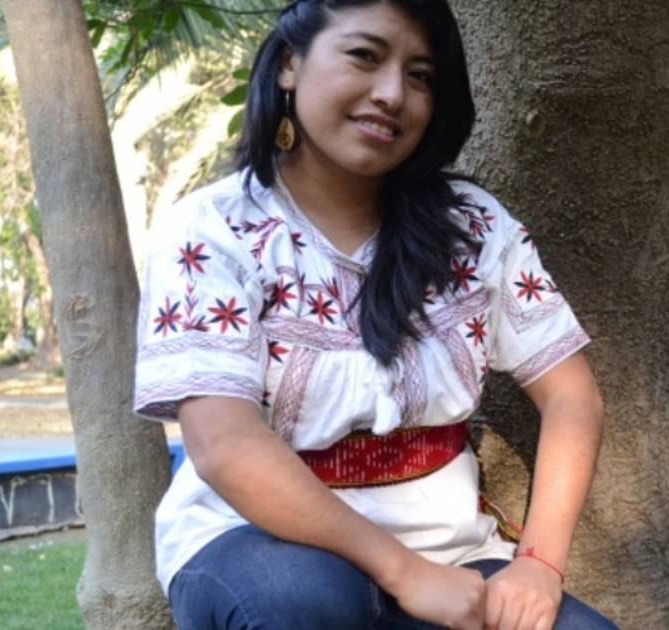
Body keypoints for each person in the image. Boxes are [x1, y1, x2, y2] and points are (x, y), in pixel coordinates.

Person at [133, 1, 614, 628]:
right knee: (303, 602)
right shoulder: (215, 229)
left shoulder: (473, 227)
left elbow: (572, 396)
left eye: (420, 76)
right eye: (364, 56)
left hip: (453, 558)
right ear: (289, 65)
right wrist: (404, 573)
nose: (392, 94)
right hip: (250, 542)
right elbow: (224, 444)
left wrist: (539, 565)